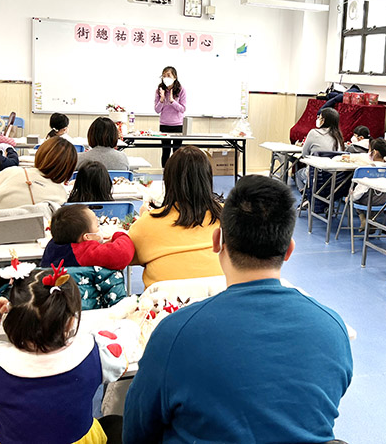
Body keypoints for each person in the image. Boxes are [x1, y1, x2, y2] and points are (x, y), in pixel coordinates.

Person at [123, 175, 353, 443]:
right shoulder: (333, 329)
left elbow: (137, 433)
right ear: (289, 250)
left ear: (217, 240)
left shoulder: (175, 333)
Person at [0, 266, 139, 444]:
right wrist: (127, 321)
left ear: (11, 318)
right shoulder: (95, 353)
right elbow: (124, 346)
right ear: (70, 322)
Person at [127, 146, 222, 288]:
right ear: (208, 178)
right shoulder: (229, 216)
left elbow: (126, 257)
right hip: (218, 299)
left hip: (165, 302)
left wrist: (143, 220)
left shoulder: (148, 223)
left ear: (168, 180)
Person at [0, 137, 77, 211]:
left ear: (40, 154)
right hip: (30, 237)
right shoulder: (60, 196)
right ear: (69, 168)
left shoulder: (9, 172)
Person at [41, 204, 135, 271]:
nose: (100, 229)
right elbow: (123, 254)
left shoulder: (54, 244)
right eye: (97, 226)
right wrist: (119, 236)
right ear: (87, 237)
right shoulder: (82, 252)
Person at [295, 107, 345, 192]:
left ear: (323, 120)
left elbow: (304, 154)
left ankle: (305, 193)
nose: (318, 119)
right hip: (335, 177)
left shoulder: (314, 133)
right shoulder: (339, 137)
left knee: (298, 174)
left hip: (316, 174)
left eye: (319, 117)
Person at [349, 138, 386, 205]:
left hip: (368, 201)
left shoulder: (369, 169)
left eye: (369, 150)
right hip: (384, 201)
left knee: (354, 193)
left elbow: (360, 190)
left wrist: (351, 198)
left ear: (374, 152)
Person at [154, 66, 187, 168]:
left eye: (168, 75)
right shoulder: (159, 90)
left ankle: (176, 172)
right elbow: (157, 110)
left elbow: (183, 109)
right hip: (164, 125)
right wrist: (162, 100)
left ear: (175, 77)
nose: (166, 78)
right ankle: (165, 172)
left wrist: (172, 101)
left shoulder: (181, 90)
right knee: (165, 151)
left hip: (178, 125)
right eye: (164, 76)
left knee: (177, 152)